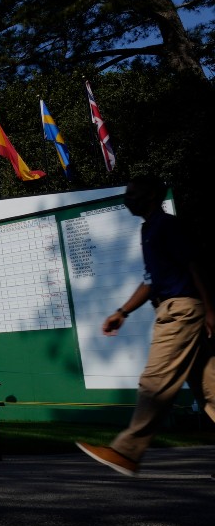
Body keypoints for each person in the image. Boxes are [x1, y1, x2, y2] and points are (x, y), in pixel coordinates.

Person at [76, 175, 215, 476]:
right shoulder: (148, 230)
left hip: (180, 310)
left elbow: (195, 265)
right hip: (172, 307)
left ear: (151, 195)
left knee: (155, 381)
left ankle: (126, 452)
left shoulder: (167, 226)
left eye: (133, 193)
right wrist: (122, 311)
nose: (128, 199)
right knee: (210, 389)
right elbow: (150, 281)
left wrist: (209, 310)